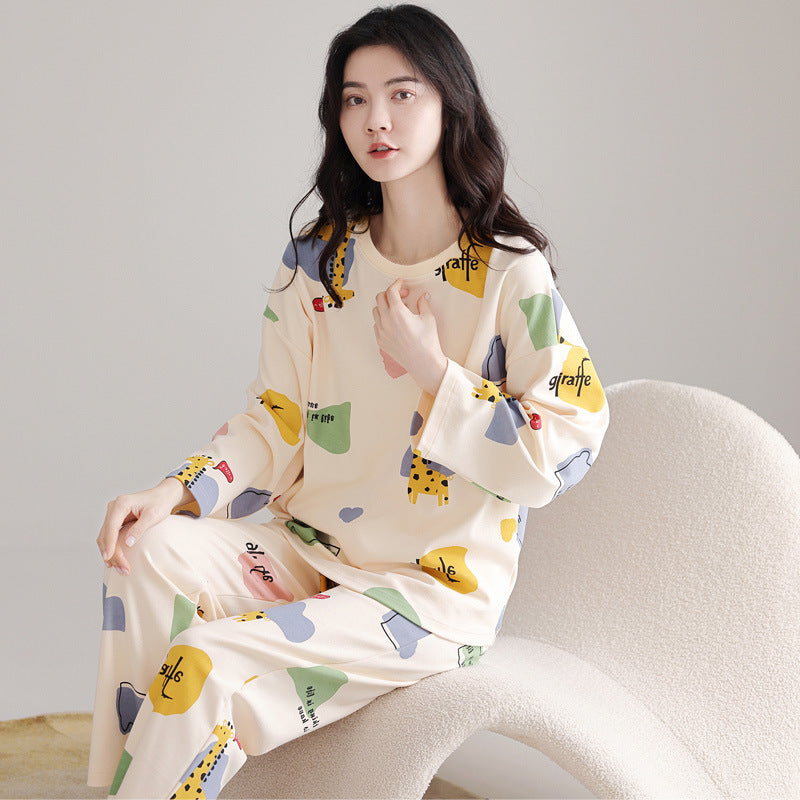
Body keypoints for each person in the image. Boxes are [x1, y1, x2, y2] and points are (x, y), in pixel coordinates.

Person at [88, 5, 609, 797]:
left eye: (402, 94)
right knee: (147, 552)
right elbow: (276, 422)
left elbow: (568, 443)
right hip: (308, 552)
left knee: (207, 663)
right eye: (355, 99)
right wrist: (177, 492)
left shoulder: (511, 273)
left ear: (450, 104)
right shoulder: (318, 262)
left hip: (427, 592)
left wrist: (435, 372)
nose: (377, 120)